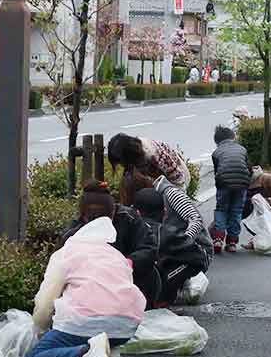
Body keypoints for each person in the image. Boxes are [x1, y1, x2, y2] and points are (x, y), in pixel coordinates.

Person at [26, 182, 147, 357]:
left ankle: (86, 355)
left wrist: (39, 331)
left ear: (81, 217)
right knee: (92, 327)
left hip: (83, 324)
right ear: (112, 216)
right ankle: (108, 348)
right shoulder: (116, 254)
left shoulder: (67, 251)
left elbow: (44, 305)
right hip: (126, 327)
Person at [58, 183, 161, 309]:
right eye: (93, 220)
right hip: (92, 295)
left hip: (133, 284)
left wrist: (129, 263)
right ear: (84, 217)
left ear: (113, 211)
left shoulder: (129, 219)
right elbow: (58, 269)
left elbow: (149, 248)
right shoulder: (73, 234)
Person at [134, 177, 213, 306]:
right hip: (167, 242)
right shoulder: (144, 208)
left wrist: (184, 242)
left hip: (188, 246)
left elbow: (196, 219)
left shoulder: (171, 193)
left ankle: (168, 291)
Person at [211, 126, 251, 254]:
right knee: (236, 210)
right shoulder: (242, 149)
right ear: (233, 137)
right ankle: (232, 242)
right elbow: (248, 167)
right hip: (242, 182)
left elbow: (217, 172)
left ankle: (218, 239)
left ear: (217, 142)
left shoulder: (216, 153)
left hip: (224, 183)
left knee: (221, 209)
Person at [107, 134, 191, 191]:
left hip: (176, 181)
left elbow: (179, 180)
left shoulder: (154, 154)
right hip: (158, 182)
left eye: (121, 162)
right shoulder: (133, 156)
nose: (121, 165)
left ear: (128, 155)